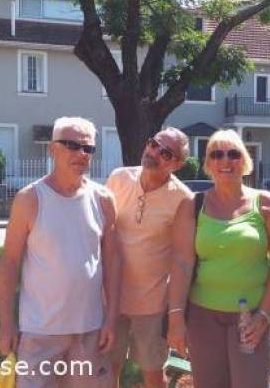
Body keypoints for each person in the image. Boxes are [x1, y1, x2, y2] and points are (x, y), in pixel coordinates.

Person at [0, 116, 119, 387]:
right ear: (53, 148)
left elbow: (112, 262)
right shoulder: (30, 199)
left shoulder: (104, 200)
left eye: (88, 148)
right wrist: (6, 324)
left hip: (90, 330)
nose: (81, 154)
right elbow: (9, 263)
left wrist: (111, 319)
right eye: (72, 145)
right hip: (40, 331)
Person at [168, 129, 270, 388]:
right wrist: (176, 318)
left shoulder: (266, 205)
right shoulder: (192, 205)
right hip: (203, 318)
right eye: (217, 154)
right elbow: (181, 263)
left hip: (251, 319)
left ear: (245, 161)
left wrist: (264, 315)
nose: (226, 161)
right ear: (208, 164)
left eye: (233, 153)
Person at [106, 127, 192, 388]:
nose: (154, 153)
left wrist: (176, 313)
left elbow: (183, 258)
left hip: (152, 305)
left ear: (177, 164)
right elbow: (101, 234)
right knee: (107, 370)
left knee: (153, 374)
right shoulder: (119, 179)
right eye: (153, 144)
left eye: (166, 153)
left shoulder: (183, 199)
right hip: (110, 299)